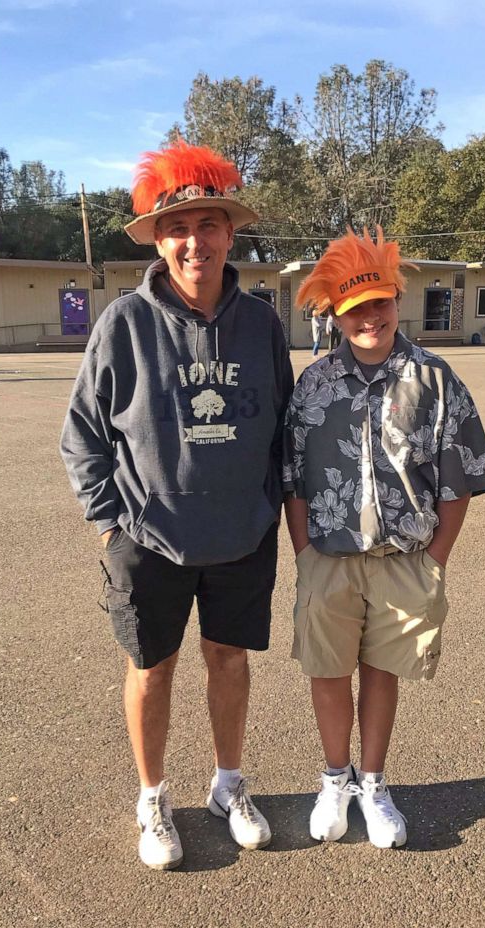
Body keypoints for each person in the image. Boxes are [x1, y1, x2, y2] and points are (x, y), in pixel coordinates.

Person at [61, 141, 294, 870]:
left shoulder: (261, 326)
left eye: (208, 224)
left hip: (241, 533)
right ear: (160, 240)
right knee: (152, 668)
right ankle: (153, 797)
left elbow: (286, 430)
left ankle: (229, 786)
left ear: (230, 232)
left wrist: (278, 515)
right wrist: (110, 523)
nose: (194, 240)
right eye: (177, 227)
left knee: (228, 660)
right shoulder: (123, 324)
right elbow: (82, 436)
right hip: (148, 537)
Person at [282, 227, 485, 849]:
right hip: (328, 557)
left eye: (378, 302)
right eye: (354, 308)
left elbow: (459, 479)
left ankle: (373, 784)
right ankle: (334, 779)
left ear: (394, 300)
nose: (369, 317)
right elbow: (292, 477)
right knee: (327, 669)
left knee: (382, 670)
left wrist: (435, 561)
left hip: (406, 558)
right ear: (337, 314)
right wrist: (302, 552)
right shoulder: (314, 385)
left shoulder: (434, 379)